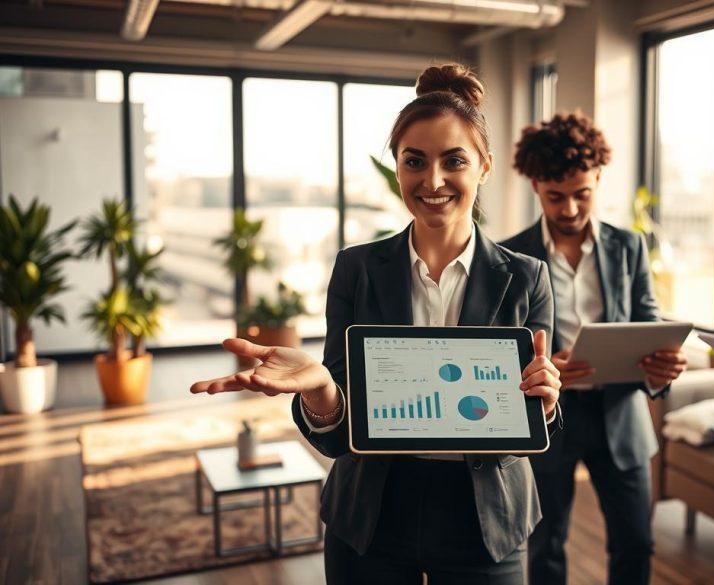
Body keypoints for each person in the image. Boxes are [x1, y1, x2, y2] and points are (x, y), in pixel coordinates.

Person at [191, 63, 563, 585]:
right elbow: (339, 434)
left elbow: (534, 419)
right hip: (372, 512)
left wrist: (544, 402)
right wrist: (322, 388)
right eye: (415, 161)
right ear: (398, 169)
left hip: (486, 516)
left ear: (485, 166)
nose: (432, 181)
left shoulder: (527, 277)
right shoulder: (357, 269)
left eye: (453, 160)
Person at [501, 111, 688, 585]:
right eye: (555, 196)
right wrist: (538, 365)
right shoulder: (511, 257)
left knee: (635, 543)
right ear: (535, 187)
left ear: (599, 178)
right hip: (548, 418)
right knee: (546, 545)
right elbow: (501, 344)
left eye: (581, 193)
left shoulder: (629, 247)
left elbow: (647, 319)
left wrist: (660, 364)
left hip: (620, 414)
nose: (568, 209)